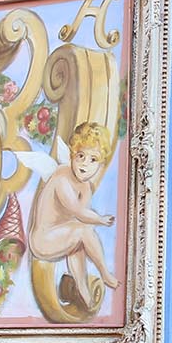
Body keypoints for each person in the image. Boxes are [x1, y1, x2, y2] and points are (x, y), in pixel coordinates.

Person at [28, 121, 119, 299]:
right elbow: (77, 211)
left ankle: (83, 290)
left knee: (80, 241)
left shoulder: (86, 186)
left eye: (93, 160)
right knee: (83, 231)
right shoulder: (62, 178)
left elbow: (79, 219)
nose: (85, 164)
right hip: (42, 240)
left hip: (60, 235)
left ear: (100, 165)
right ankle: (105, 273)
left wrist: (91, 221)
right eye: (81, 156)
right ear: (72, 155)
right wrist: (100, 220)